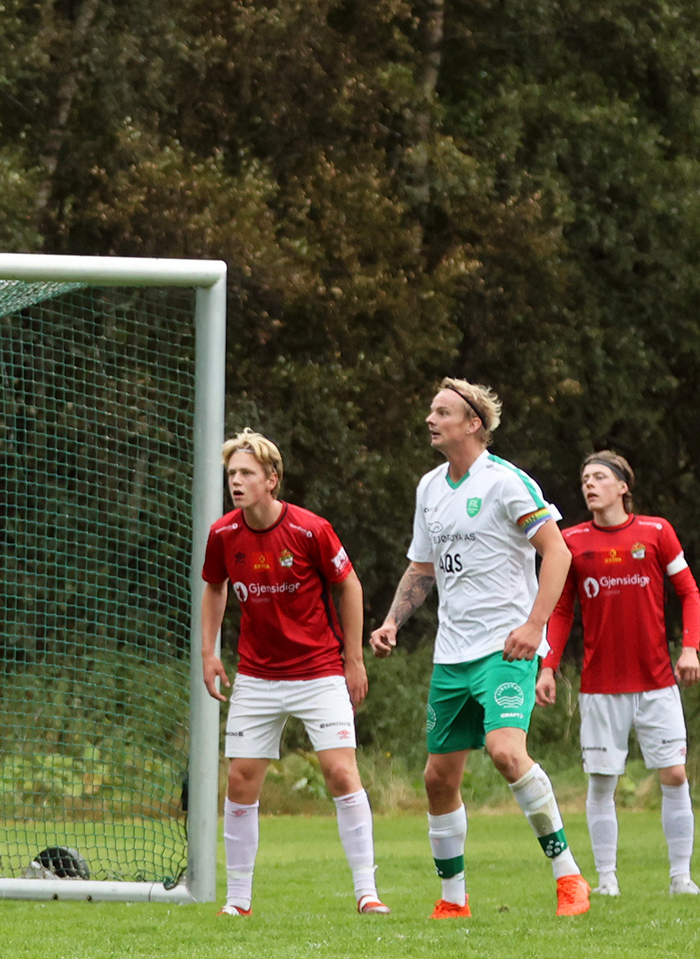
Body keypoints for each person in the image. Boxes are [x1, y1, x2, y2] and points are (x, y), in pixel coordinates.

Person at [370, 379, 587, 918]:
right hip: (452, 653)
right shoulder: (429, 488)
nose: (430, 418)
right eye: (430, 410)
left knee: (506, 752)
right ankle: (452, 901)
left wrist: (535, 626)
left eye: (443, 411)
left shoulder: (505, 481)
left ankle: (569, 879)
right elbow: (422, 568)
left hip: (505, 648)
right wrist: (393, 622)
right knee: (437, 778)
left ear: (474, 424)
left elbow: (557, 552)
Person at [199, 430, 385, 916]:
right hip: (257, 676)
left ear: (271, 479)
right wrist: (209, 652)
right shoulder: (222, 534)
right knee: (240, 781)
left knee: (340, 772)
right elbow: (214, 588)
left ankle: (367, 893)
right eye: (231, 474)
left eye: (246, 474)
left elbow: (349, 586)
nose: (236, 482)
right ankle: (238, 901)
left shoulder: (309, 530)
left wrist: (353, 659)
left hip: (318, 670)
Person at [537, 450, 700, 896]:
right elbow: (562, 610)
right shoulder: (571, 541)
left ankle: (680, 878)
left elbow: (688, 591)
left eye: (599, 477)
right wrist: (547, 667)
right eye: (584, 477)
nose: (589, 484)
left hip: (657, 682)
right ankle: (607, 881)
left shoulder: (656, 531)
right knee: (603, 781)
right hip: (601, 688)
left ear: (623, 487)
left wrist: (690, 648)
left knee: (674, 774)